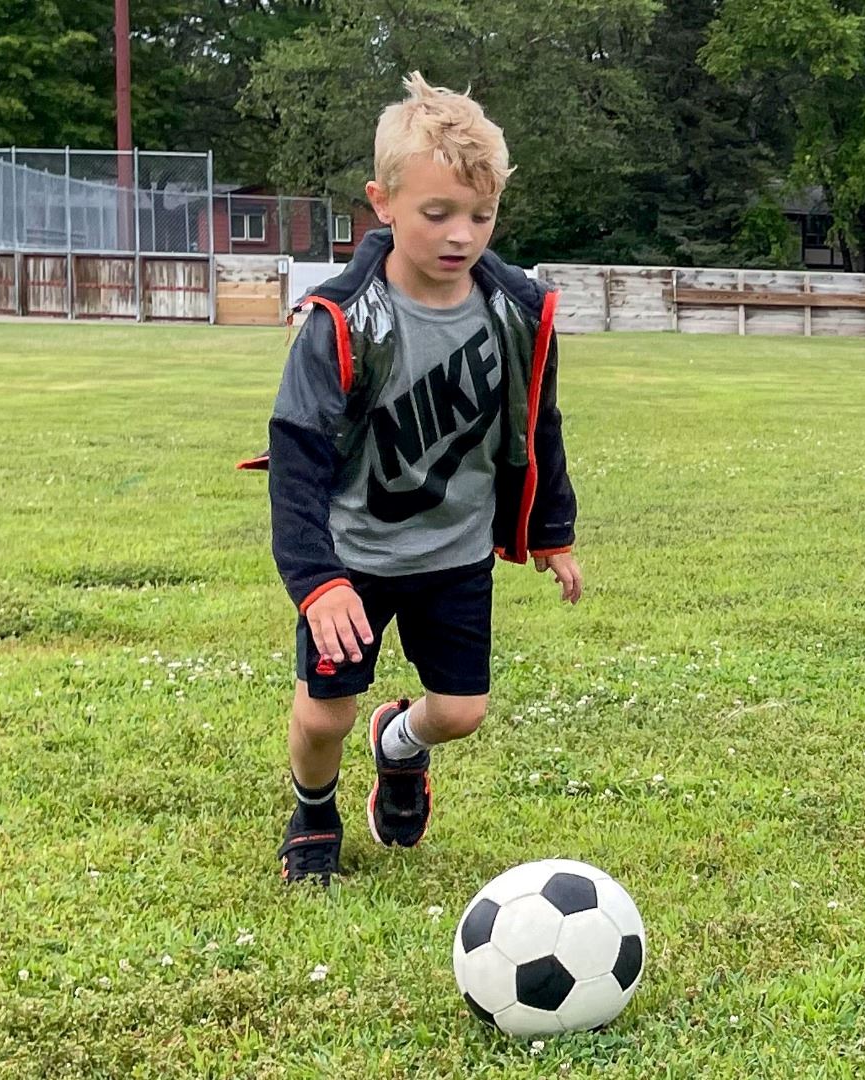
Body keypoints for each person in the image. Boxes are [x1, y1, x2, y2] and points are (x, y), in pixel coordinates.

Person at [240, 71, 582, 886]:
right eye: (437, 214)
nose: (462, 234)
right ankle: (313, 812)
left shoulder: (516, 312)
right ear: (382, 202)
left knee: (461, 712)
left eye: (481, 215)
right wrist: (318, 583)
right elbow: (296, 453)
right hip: (353, 558)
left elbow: (539, 424)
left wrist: (551, 531)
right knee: (325, 713)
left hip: (455, 552)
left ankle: (399, 746)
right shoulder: (342, 321)